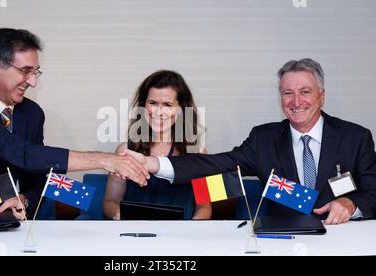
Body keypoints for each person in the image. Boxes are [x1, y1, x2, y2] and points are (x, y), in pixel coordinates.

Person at [0, 28, 149, 220]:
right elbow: (23, 153)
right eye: (25, 71)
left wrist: (24, 199)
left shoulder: (32, 113)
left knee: (83, 198)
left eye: (35, 72)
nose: (33, 82)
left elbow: (36, 173)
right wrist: (105, 160)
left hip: (12, 225)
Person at [125, 58, 376, 225]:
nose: (296, 101)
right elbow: (217, 165)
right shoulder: (263, 140)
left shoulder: (356, 137)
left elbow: (373, 191)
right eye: (288, 93)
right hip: (283, 240)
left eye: (305, 92)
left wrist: (351, 203)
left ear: (321, 96)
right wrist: (153, 164)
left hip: (345, 239)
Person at [103, 70, 211, 220]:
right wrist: (119, 215)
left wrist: (193, 225)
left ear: (181, 110)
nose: (159, 112)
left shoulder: (198, 152)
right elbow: (110, 201)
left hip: (181, 238)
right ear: (143, 106)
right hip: (136, 235)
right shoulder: (126, 150)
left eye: (167, 105)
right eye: (153, 103)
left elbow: (204, 207)